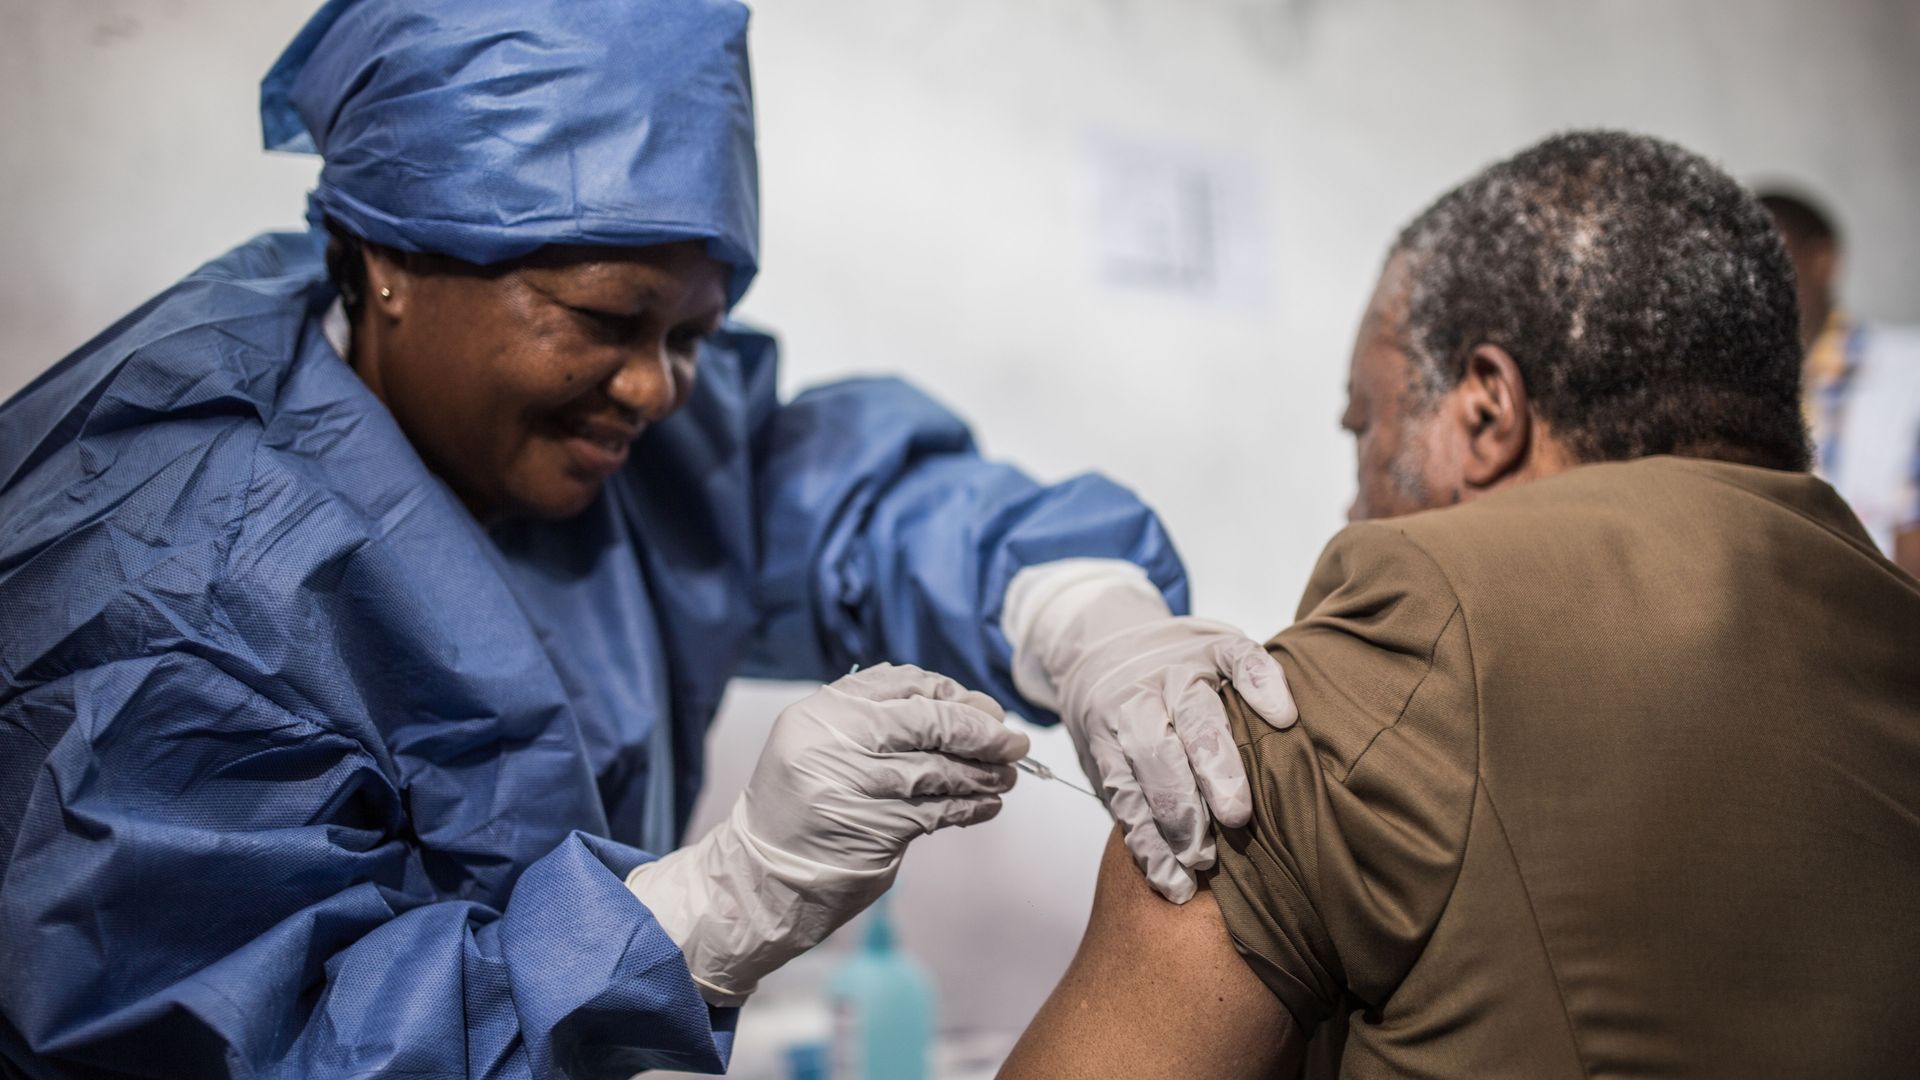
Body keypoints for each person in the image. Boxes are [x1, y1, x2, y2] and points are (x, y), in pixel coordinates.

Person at [0, 1, 1295, 1076]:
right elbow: (223, 1044)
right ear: (389, 255)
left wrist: (1079, 608)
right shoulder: (166, 586)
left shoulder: (619, 436)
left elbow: (851, 502)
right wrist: (712, 908)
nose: (660, 389)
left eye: (695, 331)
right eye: (608, 320)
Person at [1002, 131, 1920, 1078]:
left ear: (1487, 412)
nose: (1353, 504)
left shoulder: (1395, 661)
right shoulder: (1890, 630)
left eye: (1367, 424)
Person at [1758, 188, 1920, 575]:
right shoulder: (1722, 389)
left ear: (1822, 260)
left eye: (1770, 262)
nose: (1752, 284)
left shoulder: (1908, 369)